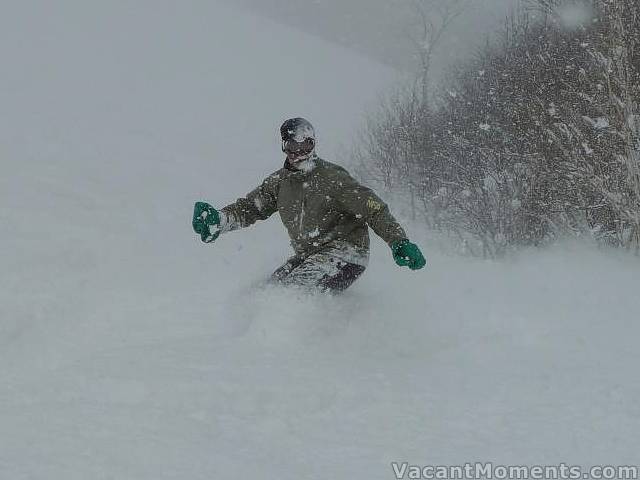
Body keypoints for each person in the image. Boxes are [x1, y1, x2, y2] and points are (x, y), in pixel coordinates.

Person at [192, 117, 426, 293]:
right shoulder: (279, 183)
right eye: (293, 148)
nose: (300, 154)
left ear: (314, 145)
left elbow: (374, 208)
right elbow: (250, 208)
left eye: (306, 147)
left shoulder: (332, 178)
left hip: (346, 254)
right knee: (268, 293)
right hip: (309, 254)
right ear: (284, 147)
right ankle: (262, 346)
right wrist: (219, 220)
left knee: (291, 293)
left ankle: (300, 349)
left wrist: (399, 241)